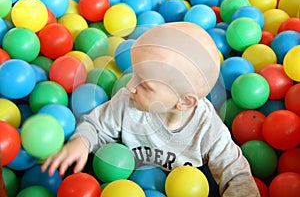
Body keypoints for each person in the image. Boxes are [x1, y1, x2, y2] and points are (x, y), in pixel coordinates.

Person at [42, 22, 260, 196]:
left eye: (144, 84)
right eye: (133, 74)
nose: (129, 86)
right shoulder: (127, 103)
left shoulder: (208, 130)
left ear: (184, 102)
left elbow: (235, 174)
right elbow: (96, 125)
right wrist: (81, 142)